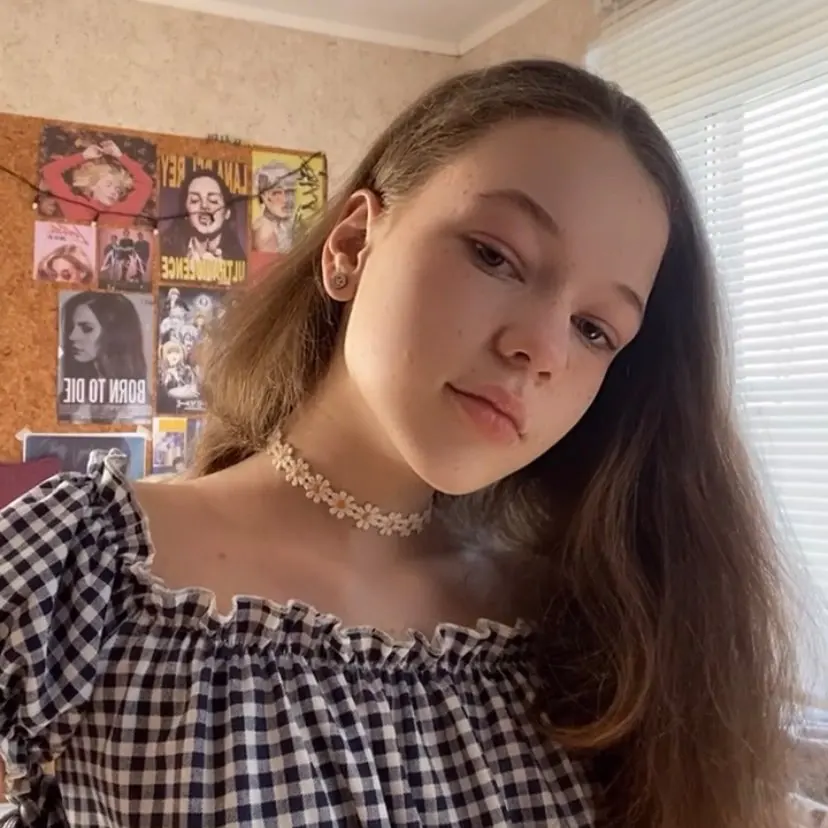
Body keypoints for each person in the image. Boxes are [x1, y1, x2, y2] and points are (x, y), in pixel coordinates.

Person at [0, 60, 806, 828]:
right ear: (352, 245)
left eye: (595, 329)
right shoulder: (81, 567)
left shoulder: (584, 632)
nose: (542, 350)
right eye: (496, 256)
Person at [58, 290, 148, 422]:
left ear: (114, 333)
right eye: (71, 327)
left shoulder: (138, 403)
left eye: (87, 328)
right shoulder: (72, 394)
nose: (72, 336)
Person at [161, 168, 246, 263]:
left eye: (213, 201)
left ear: (227, 213)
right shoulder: (165, 253)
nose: (204, 206)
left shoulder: (240, 262)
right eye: (195, 200)